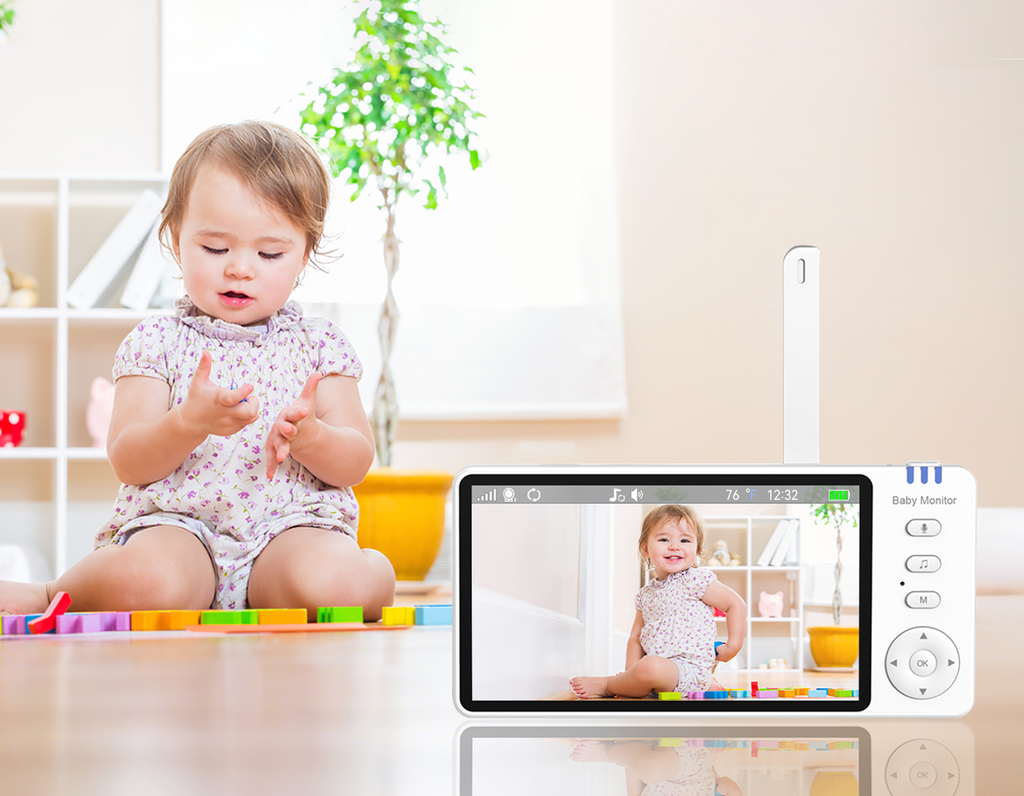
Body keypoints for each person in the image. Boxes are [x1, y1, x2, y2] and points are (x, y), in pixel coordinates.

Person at [0, 120, 396, 621]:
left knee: (337, 588)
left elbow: (357, 459)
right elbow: (129, 460)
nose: (240, 268)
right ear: (175, 238)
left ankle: (372, 569)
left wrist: (312, 436)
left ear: (304, 255)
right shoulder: (157, 342)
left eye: (269, 253)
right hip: (179, 528)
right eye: (215, 248)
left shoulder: (320, 346)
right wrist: (188, 423)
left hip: (292, 529)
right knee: (147, 584)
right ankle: (50, 592)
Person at [570, 505, 745, 699]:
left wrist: (732, 647)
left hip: (689, 668)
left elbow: (735, 604)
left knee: (651, 666)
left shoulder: (696, 580)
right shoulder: (645, 595)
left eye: (684, 540)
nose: (674, 546)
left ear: (696, 549)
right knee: (649, 666)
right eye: (664, 539)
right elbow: (636, 637)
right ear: (645, 548)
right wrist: (632, 673)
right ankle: (686, 685)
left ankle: (607, 684)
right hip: (659, 672)